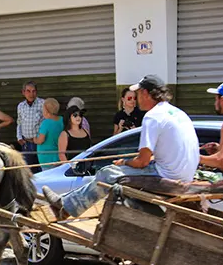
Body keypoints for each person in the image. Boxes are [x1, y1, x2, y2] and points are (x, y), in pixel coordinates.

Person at [43, 75, 200, 219]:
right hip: (184, 175)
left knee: (107, 173)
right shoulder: (178, 113)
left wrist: (125, 162)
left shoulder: (153, 117)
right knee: (115, 173)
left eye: (137, 95)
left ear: (145, 93)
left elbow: (142, 162)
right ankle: (65, 203)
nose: (137, 99)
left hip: (167, 176)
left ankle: (66, 208)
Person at [200, 81, 223, 182]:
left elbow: (221, 161)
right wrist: (220, 148)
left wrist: (194, 157)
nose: (215, 102)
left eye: (216, 99)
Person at [16, 81, 45, 174]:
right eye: (28, 91)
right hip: (26, 144)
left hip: (40, 143)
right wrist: (19, 137)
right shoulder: (20, 106)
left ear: (36, 92)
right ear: (23, 92)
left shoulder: (42, 103)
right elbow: (19, 122)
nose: (31, 94)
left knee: (41, 169)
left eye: (33, 91)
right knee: (29, 171)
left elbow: (46, 122)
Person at [34, 98, 63, 170]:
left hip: (47, 159)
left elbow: (41, 140)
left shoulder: (46, 123)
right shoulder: (62, 120)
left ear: (47, 111)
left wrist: (35, 139)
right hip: (58, 157)